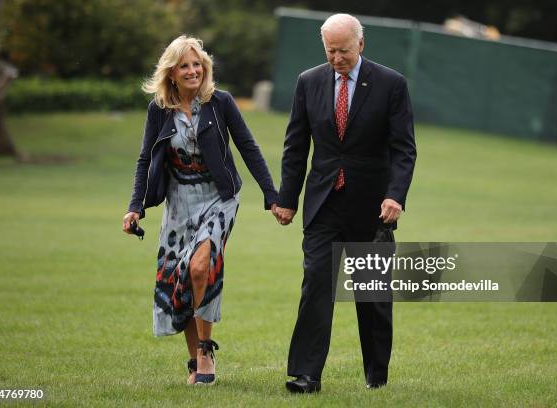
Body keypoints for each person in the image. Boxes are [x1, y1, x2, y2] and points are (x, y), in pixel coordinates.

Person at [272, 14, 416, 392]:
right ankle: (305, 375)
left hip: (372, 206)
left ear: (361, 45)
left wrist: (395, 195)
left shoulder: (391, 84)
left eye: (344, 50)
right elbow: (296, 146)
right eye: (330, 51)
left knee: (372, 296)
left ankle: (376, 376)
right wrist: (287, 198)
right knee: (316, 284)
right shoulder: (309, 82)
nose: (337, 58)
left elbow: (404, 149)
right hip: (323, 202)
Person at [123, 35, 278, 385]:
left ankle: (206, 350)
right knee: (180, 278)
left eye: (197, 64)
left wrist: (272, 195)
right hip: (178, 202)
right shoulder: (159, 110)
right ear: (172, 73)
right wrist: (136, 207)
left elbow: (248, 147)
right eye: (185, 66)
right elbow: (145, 158)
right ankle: (195, 360)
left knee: (199, 265)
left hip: (219, 198)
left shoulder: (220, 102)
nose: (193, 71)